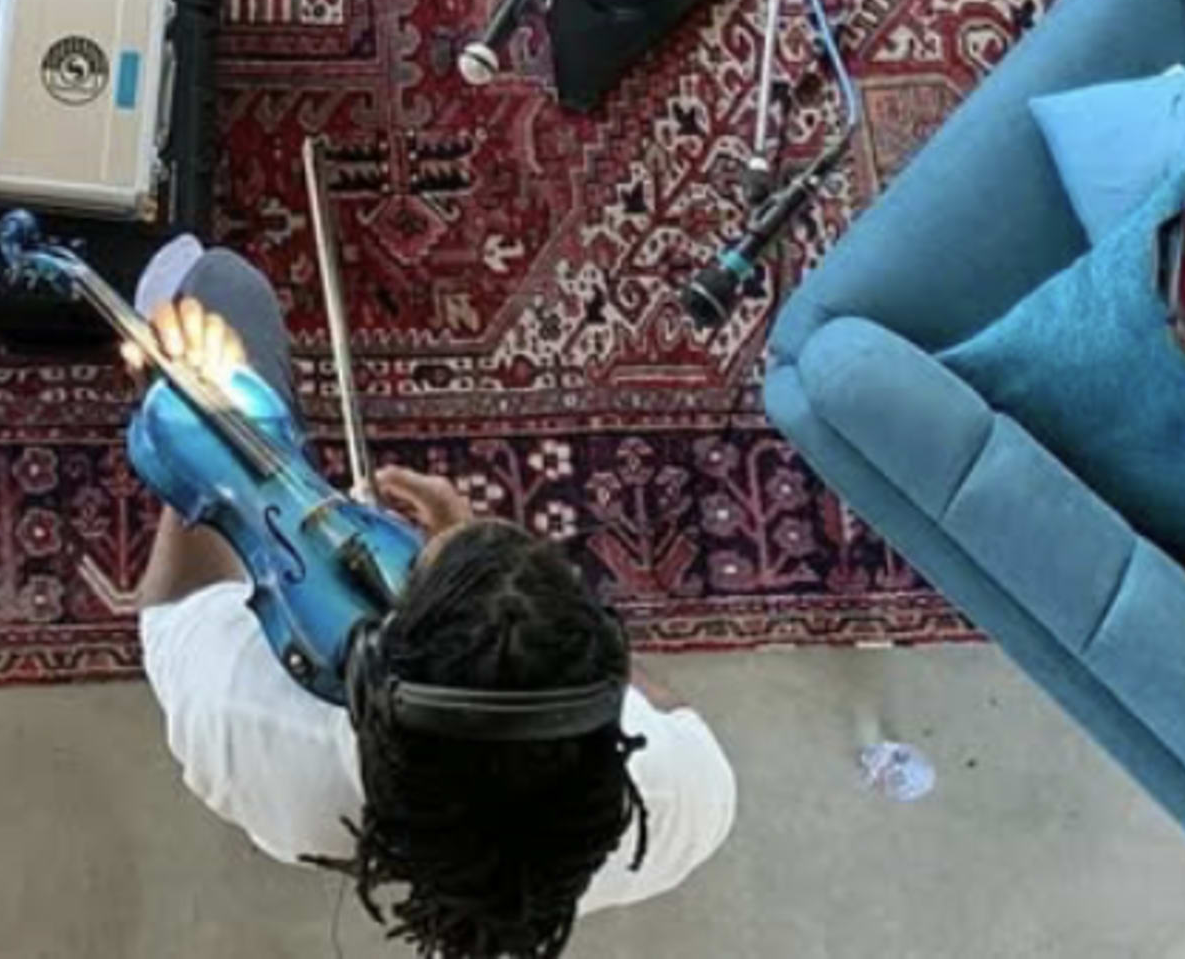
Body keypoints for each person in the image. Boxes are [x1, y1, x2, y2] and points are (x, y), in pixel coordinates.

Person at [124, 240, 736, 959]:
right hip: (319, 803)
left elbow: (167, 609)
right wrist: (499, 589)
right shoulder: (688, 797)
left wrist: (226, 465)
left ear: (381, 662)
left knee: (222, 284)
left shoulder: (238, 709)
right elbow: (653, 699)